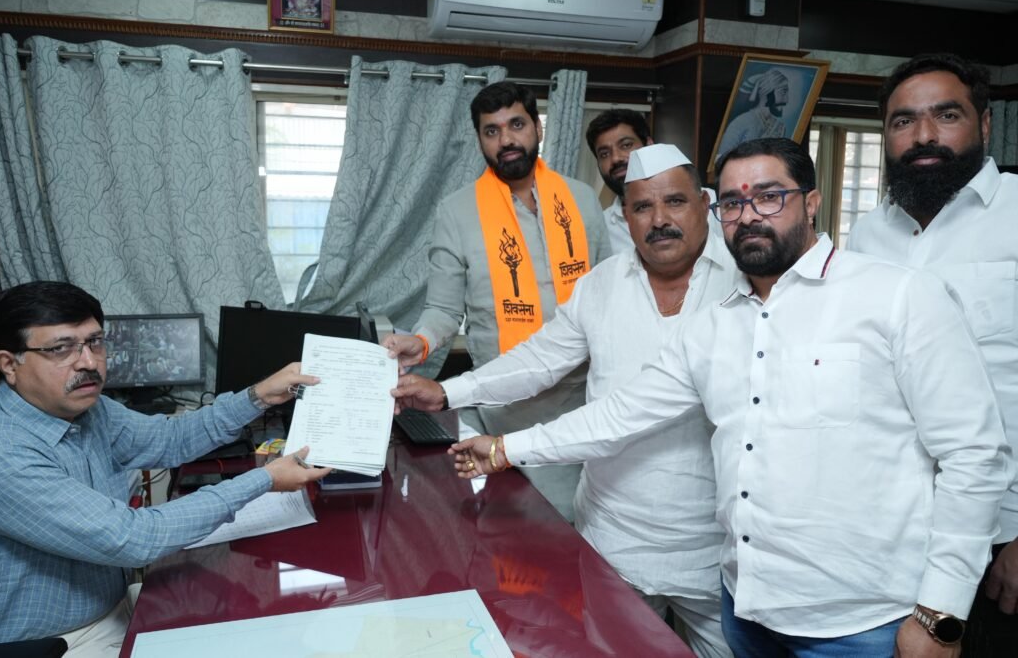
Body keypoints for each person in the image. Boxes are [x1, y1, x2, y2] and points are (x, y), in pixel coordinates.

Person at [451, 138, 1013, 656]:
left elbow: (973, 455)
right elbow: (620, 414)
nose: (749, 216)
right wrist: (503, 449)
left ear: (811, 202)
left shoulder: (896, 295)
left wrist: (939, 613)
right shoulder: (714, 326)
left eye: (769, 197)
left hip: (861, 622)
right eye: (735, 203)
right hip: (747, 608)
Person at [394, 144, 736, 658]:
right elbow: (539, 360)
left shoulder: (746, 284)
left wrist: (505, 447)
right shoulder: (601, 285)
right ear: (624, 216)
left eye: (675, 202)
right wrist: (447, 391)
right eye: (642, 207)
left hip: (713, 551)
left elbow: (625, 416)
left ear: (704, 204)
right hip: (614, 541)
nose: (659, 220)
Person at [0, 281, 332, 655]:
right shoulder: (3, 454)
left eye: (95, 342)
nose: (88, 362)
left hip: (113, 606)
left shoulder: (88, 408)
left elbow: (170, 440)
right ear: (9, 364)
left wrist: (260, 396)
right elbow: (135, 538)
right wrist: (264, 479)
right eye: (61, 349)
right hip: (56, 642)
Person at [847, 52, 1018, 657]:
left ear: (985, 124)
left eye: (946, 115)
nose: (923, 135)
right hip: (887, 534)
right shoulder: (868, 234)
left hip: (1002, 533)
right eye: (903, 120)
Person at [383, 81, 610, 522]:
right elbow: (444, 310)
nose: (506, 140)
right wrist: (422, 342)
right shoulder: (457, 212)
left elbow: (610, 294)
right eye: (492, 131)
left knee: (584, 523)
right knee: (523, 527)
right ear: (480, 140)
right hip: (505, 403)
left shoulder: (581, 199)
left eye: (516, 125)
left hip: (583, 398)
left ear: (537, 128)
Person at [585, 109, 654, 253]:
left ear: (649, 145)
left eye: (626, 145)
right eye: (604, 154)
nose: (616, 158)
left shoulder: (701, 204)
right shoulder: (600, 229)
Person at [716, 69, 790, 159]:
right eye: (783, 92)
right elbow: (720, 159)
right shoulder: (741, 122)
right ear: (767, 92)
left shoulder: (780, 127)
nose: (787, 100)